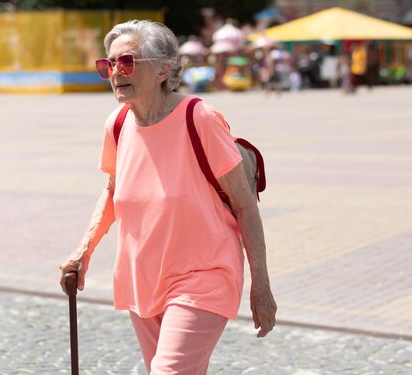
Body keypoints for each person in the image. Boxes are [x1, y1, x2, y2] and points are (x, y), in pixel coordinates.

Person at [59, 20, 277, 375]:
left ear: (163, 69)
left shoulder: (199, 118)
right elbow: (113, 191)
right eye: (109, 65)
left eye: (127, 62)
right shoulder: (117, 124)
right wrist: (83, 250)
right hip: (142, 278)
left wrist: (261, 285)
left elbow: (244, 205)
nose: (116, 72)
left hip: (203, 276)